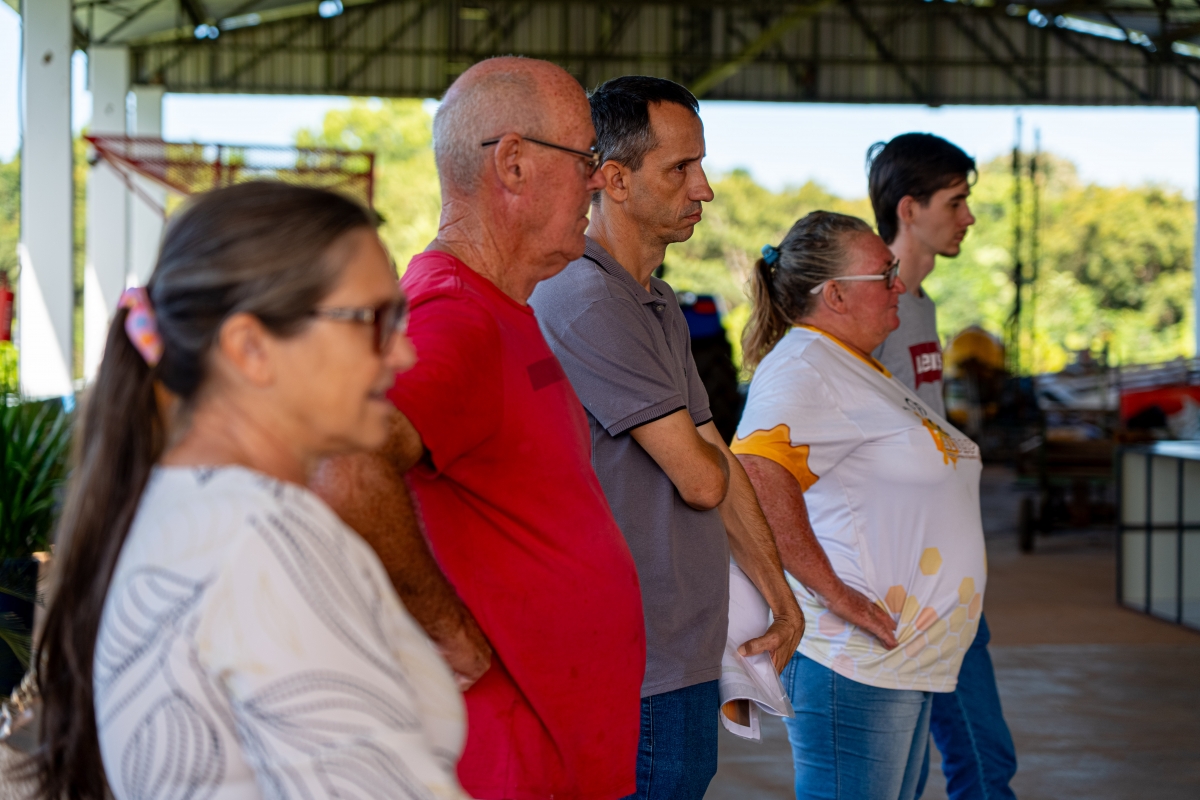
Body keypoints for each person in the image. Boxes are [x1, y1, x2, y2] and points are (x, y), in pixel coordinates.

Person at [33, 182, 469, 800]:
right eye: (373, 320)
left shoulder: (177, 506)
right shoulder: (262, 538)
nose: (402, 352)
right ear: (251, 348)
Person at [310, 57, 646, 800]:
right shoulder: (456, 317)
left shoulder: (495, 307)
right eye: (586, 157)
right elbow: (342, 459)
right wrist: (446, 627)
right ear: (514, 163)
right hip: (502, 764)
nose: (598, 179)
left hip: (548, 755)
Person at [530, 76, 803, 800]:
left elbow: (717, 452)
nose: (703, 188)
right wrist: (705, 454)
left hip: (679, 647)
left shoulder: (652, 298)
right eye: (680, 168)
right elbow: (703, 479)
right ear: (614, 180)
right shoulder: (585, 297)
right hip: (634, 657)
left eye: (700, 165)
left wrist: (780, 595)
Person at [731, 211, 987, 800]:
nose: (900, 285)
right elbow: (756, 473)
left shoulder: (848, 363)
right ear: (836, 295)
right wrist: (835, 592)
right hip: (855, 665)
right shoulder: (805, 365)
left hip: (893, 661)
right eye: (885, 274)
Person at [868, 133, 1018, 800]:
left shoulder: (919, 304)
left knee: (980, 757)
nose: (968, 217)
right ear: (909, 209)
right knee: (962, 763)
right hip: (903, 573)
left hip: (944, 563)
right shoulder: (870, 309)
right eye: (955, 202)